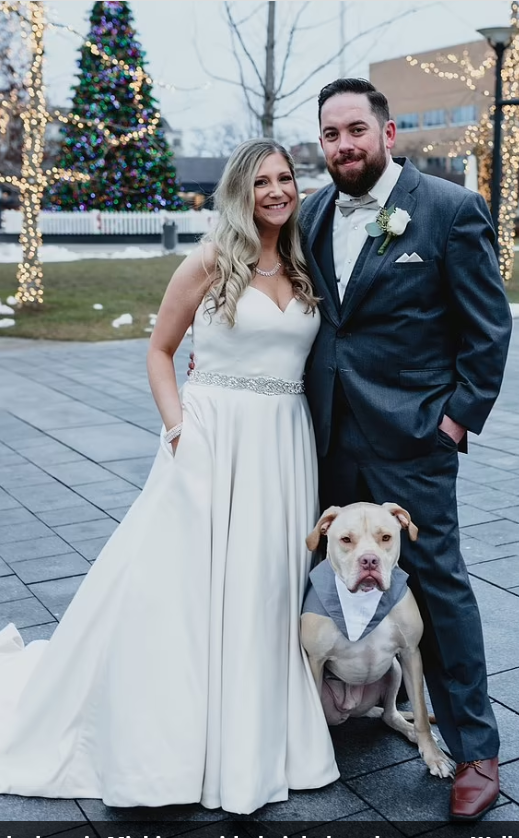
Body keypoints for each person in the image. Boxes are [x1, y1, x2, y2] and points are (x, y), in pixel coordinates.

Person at [0, 139, 339, 814]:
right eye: (261, 181)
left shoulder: (302, 265)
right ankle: (177, 742)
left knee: (264, 589)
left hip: (282, 444)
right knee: (186, 588)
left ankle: (253, 732)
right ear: (239, 192)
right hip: (211, 437)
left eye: (284, 179)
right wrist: (179, 428)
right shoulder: (210, 259)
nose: (275, 190)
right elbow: (159, 352)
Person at [299, 78, 512, 821]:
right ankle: (317, 717)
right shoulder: (311, 210)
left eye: (355, 130)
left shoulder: (450, 210)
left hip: (413, 440)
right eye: (330, 135)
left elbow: (487, 328)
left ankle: (475, 751)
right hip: (324, 436)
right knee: (313, 582)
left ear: (387, 134)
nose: (343, 146)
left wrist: (454, 420)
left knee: (441, 590)